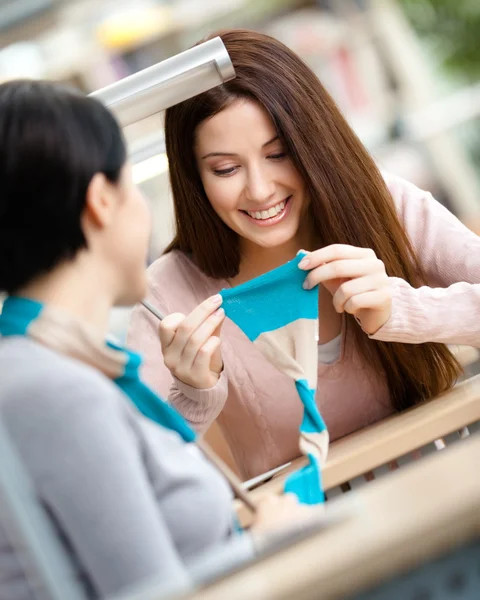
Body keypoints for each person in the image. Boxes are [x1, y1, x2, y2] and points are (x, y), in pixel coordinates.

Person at [0, 80, 314, 600]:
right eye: (132, 184)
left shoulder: (51, 369)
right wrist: (264, 543)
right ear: (101, 201)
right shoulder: (51, 390)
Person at [127, 28, 480, 480]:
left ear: (312, 144)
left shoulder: (380, 203)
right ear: (194, 177)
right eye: (226, 169)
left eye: (278, 155)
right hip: (321, 537)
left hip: (454, 484)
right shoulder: (171, 291)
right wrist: (194, 396)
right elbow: (140, 468)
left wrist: (404, 308)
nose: (258, 190)